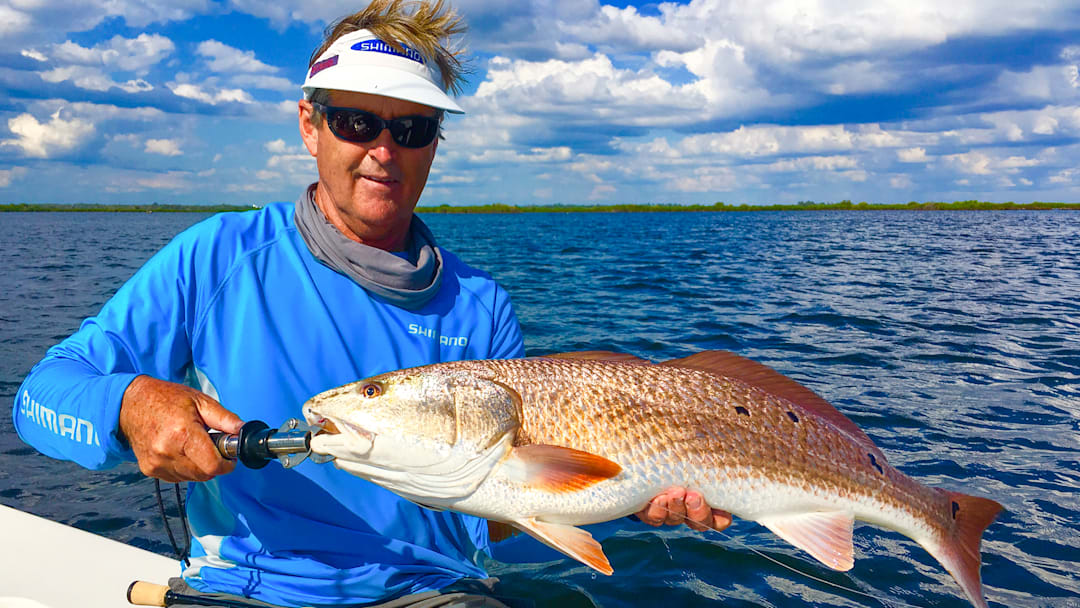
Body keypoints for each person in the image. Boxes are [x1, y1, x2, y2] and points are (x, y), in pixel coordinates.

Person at [12, 1, 730, 606]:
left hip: (436, 592)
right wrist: (131, 405)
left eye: (411, 127)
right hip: (248, 589)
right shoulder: (218, 257)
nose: (384, 149)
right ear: (309, 123)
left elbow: (496, 519)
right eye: (357, 120)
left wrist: (624, 491)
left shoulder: (481, 306)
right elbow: (42, 395)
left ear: (434, 144)